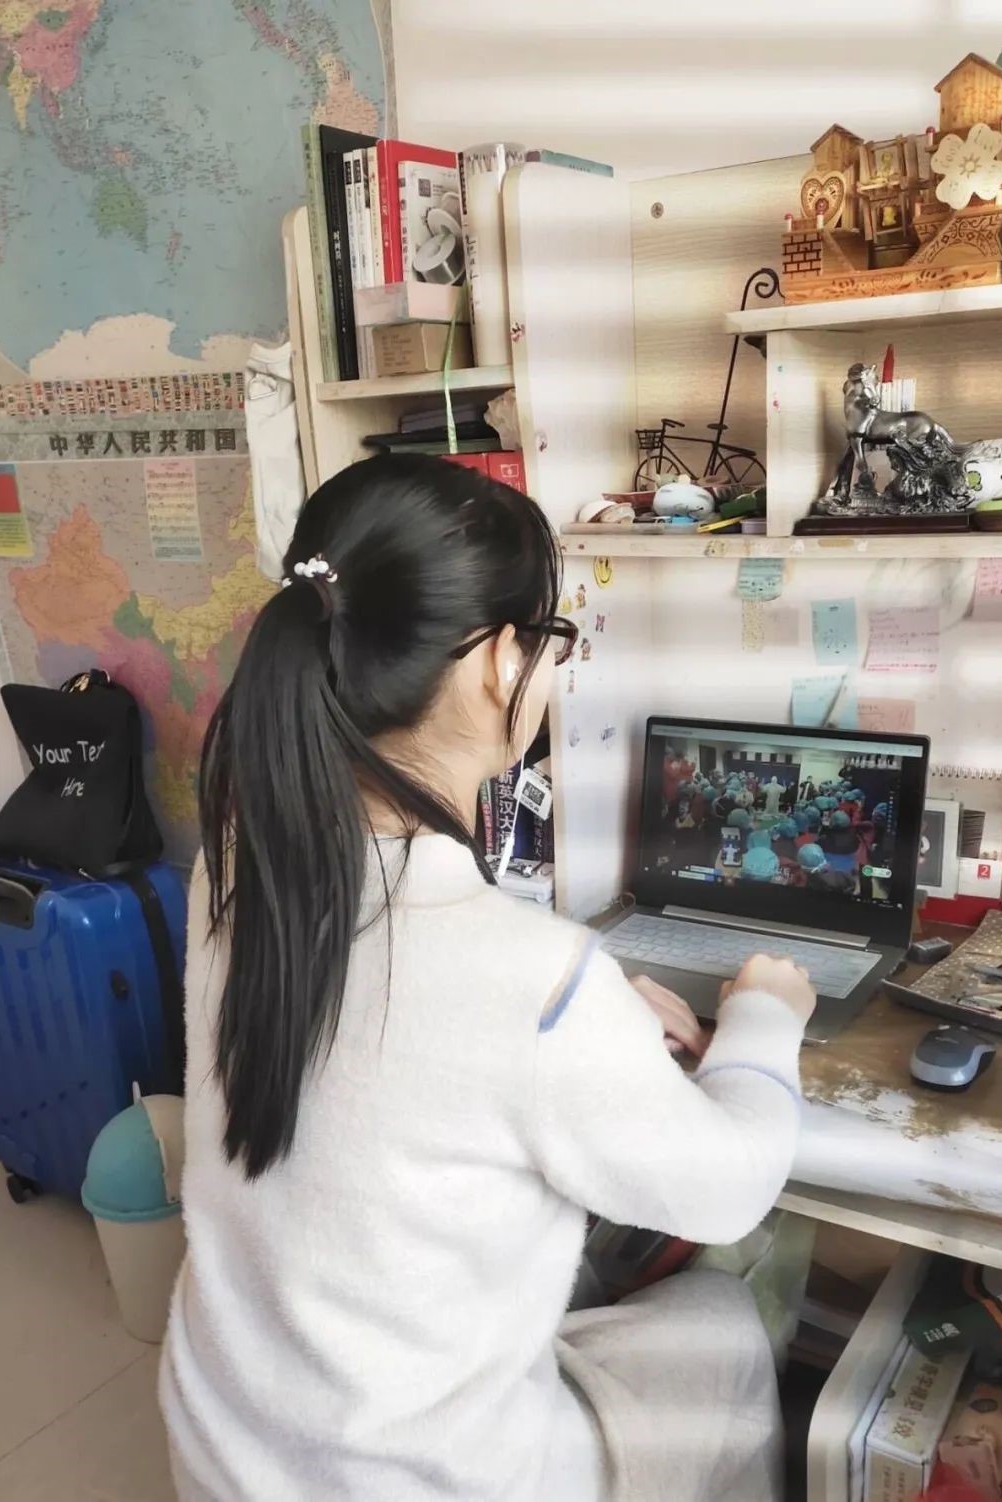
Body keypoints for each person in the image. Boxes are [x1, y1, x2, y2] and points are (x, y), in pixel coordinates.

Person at [161, 455, 816, 1502]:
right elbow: (730, 1187)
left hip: (230, 1446)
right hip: (430, 1482)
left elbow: (408, 1031)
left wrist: (593, 1020)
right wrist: (764, 1018)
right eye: (551, 639)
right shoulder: (532, 978)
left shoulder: (236, 873)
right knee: (722, 1320)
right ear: (497, 664)